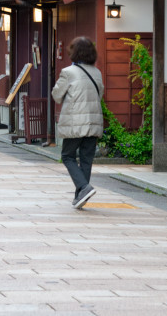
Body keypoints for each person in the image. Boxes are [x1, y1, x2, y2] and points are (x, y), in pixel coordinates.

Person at [51, 36, 104, 209]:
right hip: (93, 121)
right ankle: (80, 196)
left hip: (75, 122)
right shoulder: (97, 72)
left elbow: (56, 95)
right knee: (86, 159)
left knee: (67, 155)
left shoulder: (69, 72)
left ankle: (83, 187)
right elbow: (99, 95)